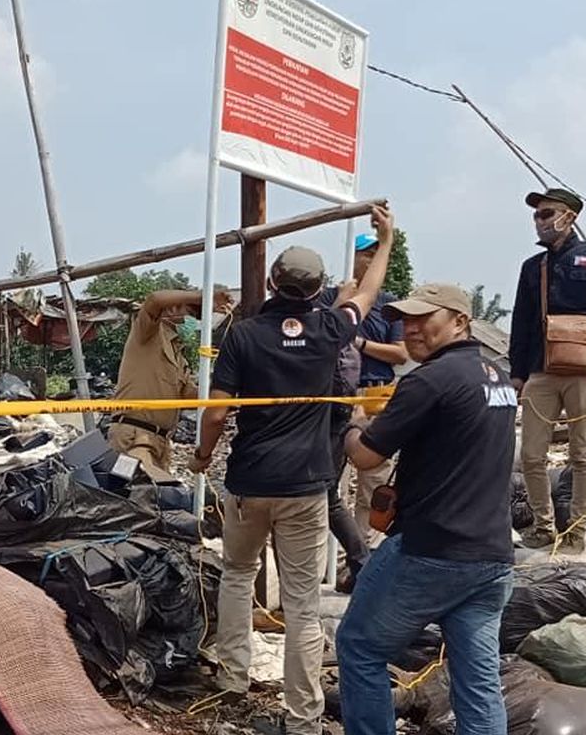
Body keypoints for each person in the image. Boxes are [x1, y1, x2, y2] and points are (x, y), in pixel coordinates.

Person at [190, 206, 395, 735]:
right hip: (306, 486)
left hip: (248, 482)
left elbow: (215, 413)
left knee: (238, 575)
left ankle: (233, 679)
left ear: (271, 280)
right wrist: (387, 241)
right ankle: (303, 714)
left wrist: (201, 456)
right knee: (303, 605)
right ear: (320, 288)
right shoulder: (331, 328)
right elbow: (366, 297)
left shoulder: (243, 335)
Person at [336, 283, 516, 735]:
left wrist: (355, 424)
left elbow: (366, 457)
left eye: (424, 318)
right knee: (478, 681)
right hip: (491, 557)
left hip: (431, 551)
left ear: (459, 321)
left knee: (359, 646)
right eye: (407, 320)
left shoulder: (430, 379)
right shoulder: (496, 377)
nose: (412, 329)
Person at [509, 188, 586, 553]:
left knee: (583, 453)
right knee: (531, 455)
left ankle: (576, 530)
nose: (540, 221)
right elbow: (521, 323)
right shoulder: (532, 267)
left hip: (585, 370)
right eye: (537, 215)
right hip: (540, 370)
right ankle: (543, 526)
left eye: (547, 214)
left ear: (569, 217)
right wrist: (517, 372)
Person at [319, 234, 410, 574]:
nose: (371, 260)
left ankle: (364, 560)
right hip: (338, 398)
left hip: (375, 397)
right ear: (351, 257)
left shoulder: (389, 306)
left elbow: (400, 353)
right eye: (365, 254)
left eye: (376, 254)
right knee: (331, 485)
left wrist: (359, 341)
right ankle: (339, 561)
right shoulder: (332, 300)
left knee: (372, 483)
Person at [108, 287, 231, 482]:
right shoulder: (148, 335)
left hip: (160, 442)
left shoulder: (177, 354)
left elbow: (191, 395)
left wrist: (229, 397)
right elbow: (154, 300)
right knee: (147, 493)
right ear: (172, 308)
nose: (192, 320)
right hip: (134, 436)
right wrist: (203, 296)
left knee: (153, 501)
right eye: (191, 313)